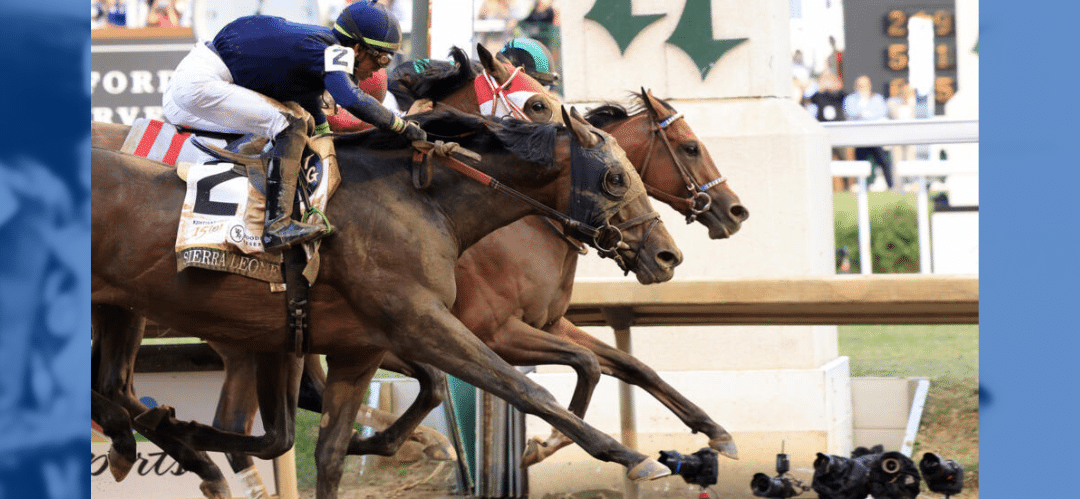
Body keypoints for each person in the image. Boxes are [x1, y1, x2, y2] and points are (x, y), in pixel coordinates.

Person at [162, 0, 427, 251]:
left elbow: (314, 114)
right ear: (357, 49)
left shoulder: (318, 46)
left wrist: (325, 136)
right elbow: (351, 98)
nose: (378, 71)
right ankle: (276, 226)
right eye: (382, 59)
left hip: (193, 81)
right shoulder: (333, 51)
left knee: (294, 122)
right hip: (201, 83)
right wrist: (401, 127)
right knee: (290, 125)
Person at [843, 74, 894, 190]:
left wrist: (863, 114)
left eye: (864, 85)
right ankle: (863, 185)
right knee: (861, 162)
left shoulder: (877, 98)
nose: (862, 88)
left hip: (875, 135)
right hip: (859, 136)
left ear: (869, 86)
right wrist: (864, 113)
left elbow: (881, 112)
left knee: (883, 161)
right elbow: (850, 112)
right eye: (859, 85)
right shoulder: (850, 99)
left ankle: (890, 185)